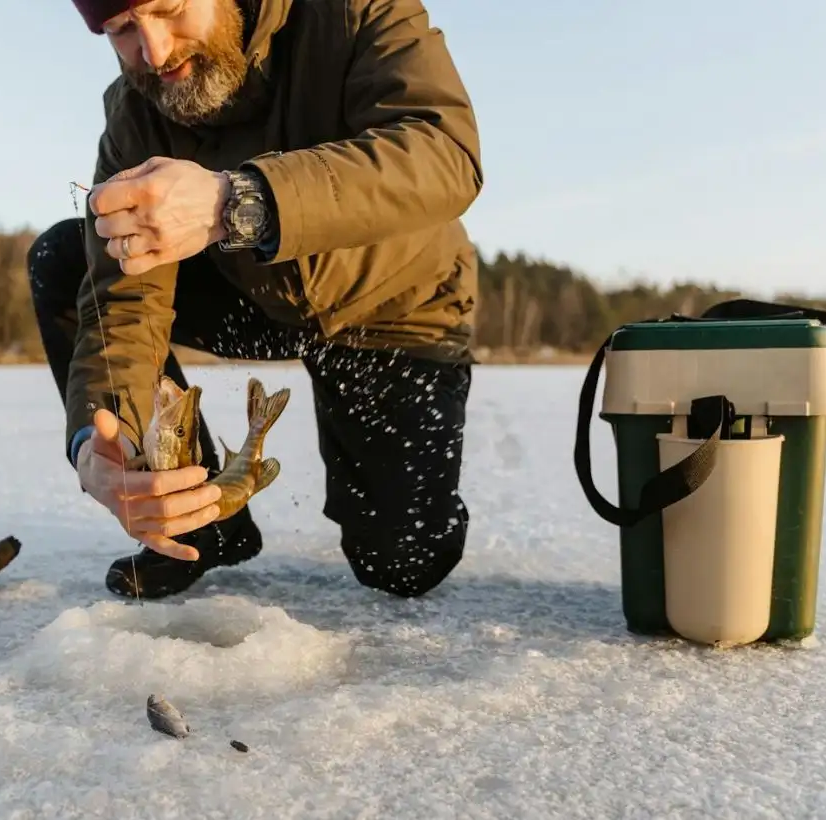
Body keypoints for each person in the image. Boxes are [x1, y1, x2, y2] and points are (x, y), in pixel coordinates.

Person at [28, 0, 484, 600]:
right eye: (121, 31)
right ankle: (208, 521)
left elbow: (444, 152)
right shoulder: (134, 116)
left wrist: (236, 202)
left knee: (402, 565)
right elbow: (126, 305)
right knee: (67, 256)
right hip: (256, 300)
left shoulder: (356, 11)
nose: (154, 51)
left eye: (168, 10)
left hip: (394, 311)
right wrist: (97, 441)